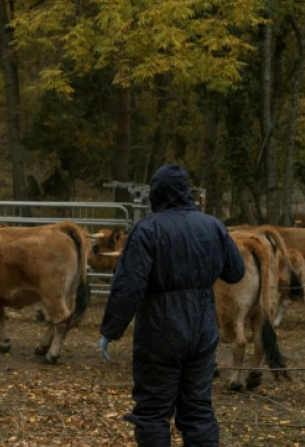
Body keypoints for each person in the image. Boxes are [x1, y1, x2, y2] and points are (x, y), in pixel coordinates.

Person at [99, 164, 244, 447]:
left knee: (153, 412)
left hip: (160, 330)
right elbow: (235, 271)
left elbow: (128, 285)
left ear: (157, 193)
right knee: (198, 411)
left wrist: (111, 330)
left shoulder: (148, 230)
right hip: (202, 329)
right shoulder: (213, 226)